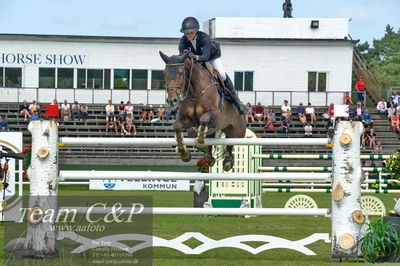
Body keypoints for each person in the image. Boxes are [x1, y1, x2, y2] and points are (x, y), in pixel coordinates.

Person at [178, 17, 247, 114]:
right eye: (186, 33)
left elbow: (205, 57)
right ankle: (181, 100)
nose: (188, 35)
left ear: (196, 31)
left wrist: (196, 57)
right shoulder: (183, 41)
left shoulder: (205, 38)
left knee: (222, 75)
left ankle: (237, 101)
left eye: (191, 32)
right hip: (196, 59)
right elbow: (182, 55)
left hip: (212, 57)